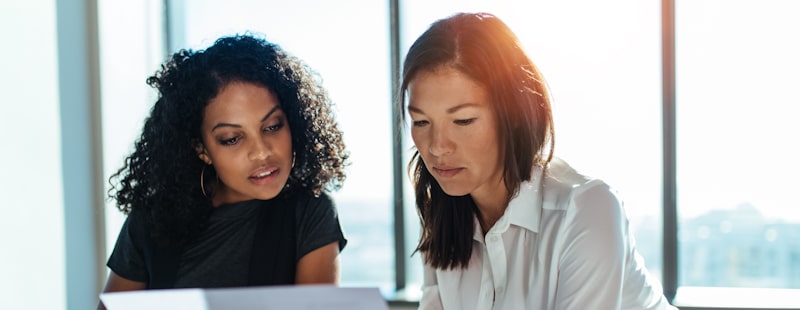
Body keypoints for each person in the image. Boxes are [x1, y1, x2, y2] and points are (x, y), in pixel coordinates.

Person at [399, 12, 678, 310]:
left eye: (463, 120)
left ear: (514, 115)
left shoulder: (586, 208)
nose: (438, 147)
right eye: (421, 122)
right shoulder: (441, 214)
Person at [98, 34, 349, 309]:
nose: (262, 151)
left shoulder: (310, 211)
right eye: (232, 138)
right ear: (202, 149)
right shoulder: (151, 220)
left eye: (273, 126)